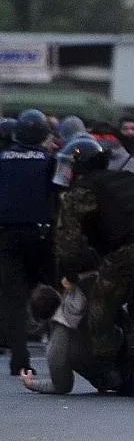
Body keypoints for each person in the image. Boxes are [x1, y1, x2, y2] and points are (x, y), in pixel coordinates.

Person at [52, 138, 134, 397]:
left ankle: (107, 370)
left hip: (131, 251)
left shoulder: (82, 190)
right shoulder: (126, 179)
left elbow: (69, 242)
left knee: (101, 307)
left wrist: (68, 270)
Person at [0, 109, 55, 376]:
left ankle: (19, 360)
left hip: (5, 236)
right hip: (40, 236)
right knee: (54, 290)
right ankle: (61, 347)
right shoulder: (49, 161)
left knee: (13, 299)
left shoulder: (2, 159)